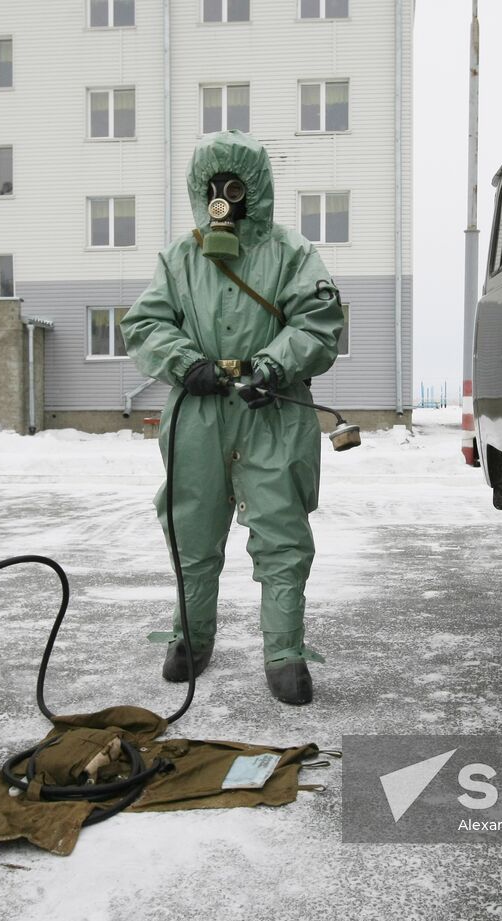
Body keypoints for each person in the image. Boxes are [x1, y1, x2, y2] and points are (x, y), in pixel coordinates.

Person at [121, 130, 345, 706]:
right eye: (213, 184)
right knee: (192, 526)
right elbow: (145, 324)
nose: (226, 195)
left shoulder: (291, 253)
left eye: (236, 184)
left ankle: (285, 652)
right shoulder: (179, 257)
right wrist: (184, 362)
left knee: (281, 530)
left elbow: (319, 322)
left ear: (258, 188)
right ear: (200, 190)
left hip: (270, 409)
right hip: (198, 410)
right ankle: (191, 639)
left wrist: (272, 366)